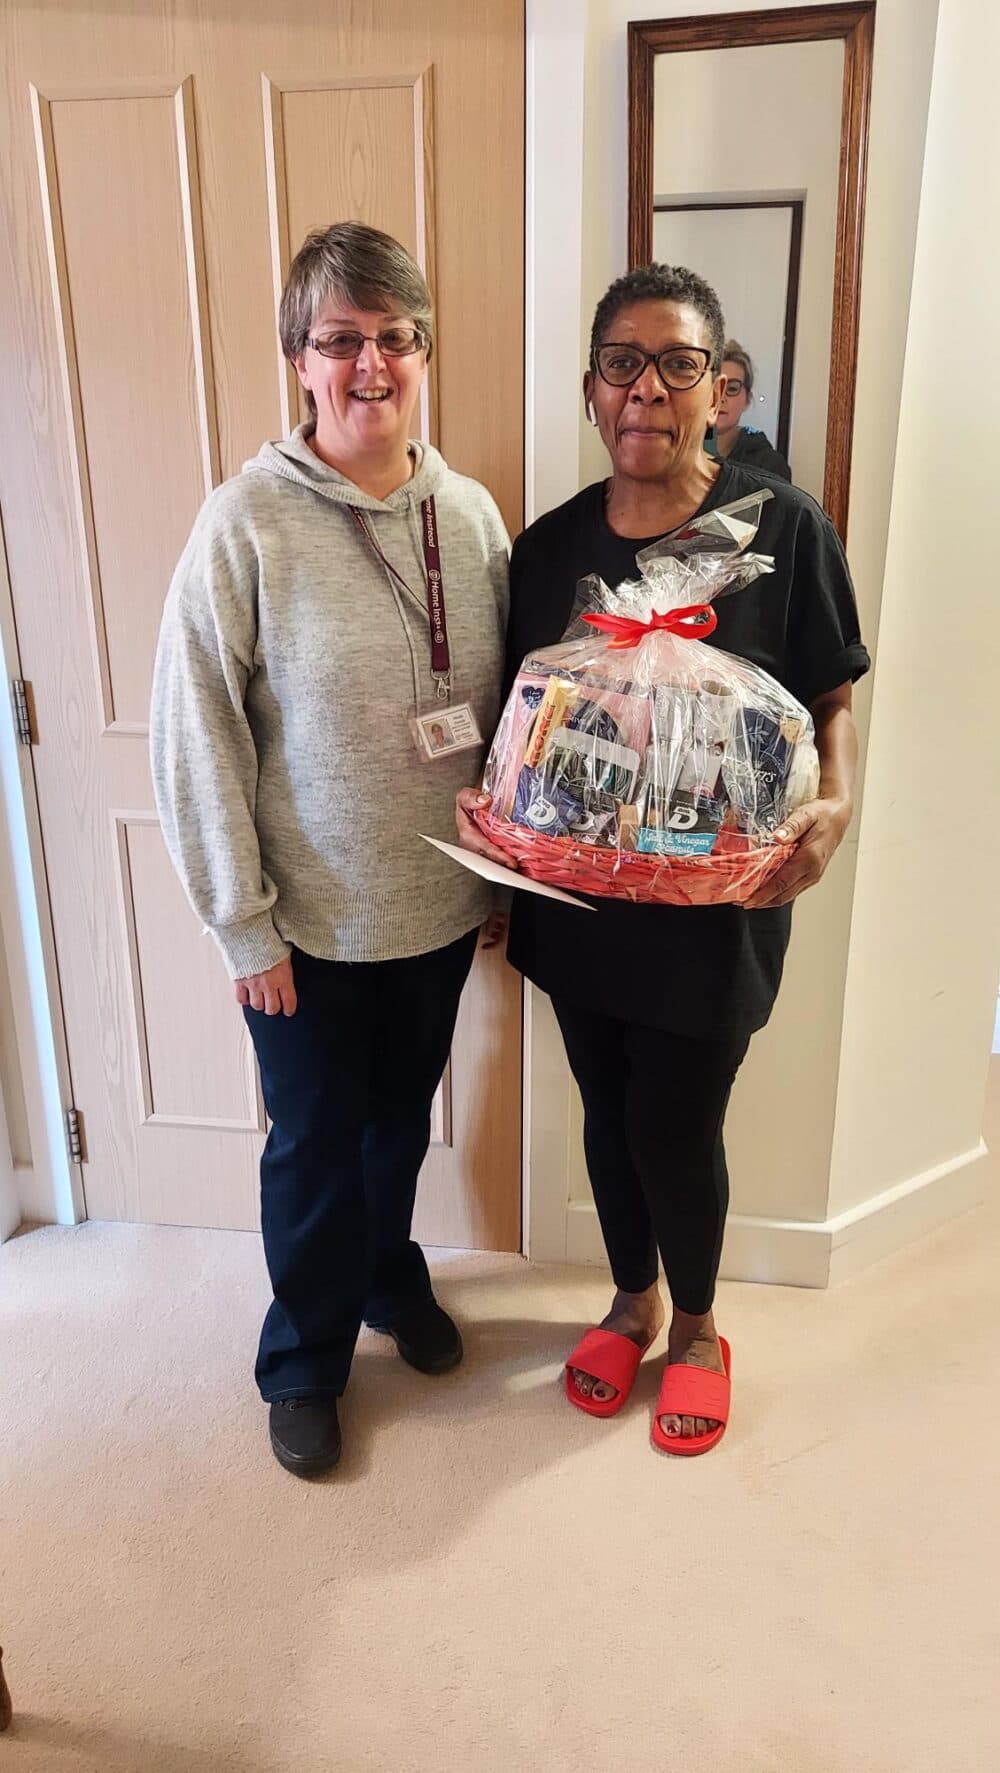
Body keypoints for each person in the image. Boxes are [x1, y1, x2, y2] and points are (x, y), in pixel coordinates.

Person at [457, 263, 868, 1456]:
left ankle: (695, 1327)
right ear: (592, 390)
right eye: (624, 364)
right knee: (602, 1110)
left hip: (715, 910)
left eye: (678, 365)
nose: (649, 389)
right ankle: (627, 1299)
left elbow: (829, 697)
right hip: (574, 908)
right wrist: (495, 871)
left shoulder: (779, 529)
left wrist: (835, 805)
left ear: (717, 391)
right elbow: (522, 735)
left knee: (675, 1126)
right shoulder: (546, 549)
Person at [151, 222, 509, 1477]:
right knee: (311, 1143)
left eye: (394, 340)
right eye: (341, 341)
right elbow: (193, 725)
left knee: (395, 1127)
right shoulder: (244, 521)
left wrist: (508, 874)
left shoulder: (466, 516)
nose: (371, 366)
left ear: (423, 353)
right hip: (304, 925)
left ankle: (386, 1277)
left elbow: (510, 714)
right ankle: (301, 1353)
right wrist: (241, 924)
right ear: (300, 362)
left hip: (441, 906)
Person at [709, 339, 791, 480]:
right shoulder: (677, 455)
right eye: (713, 387)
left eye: (732, 388)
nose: (721, 398)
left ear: (747, 399)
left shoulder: (769, 465)